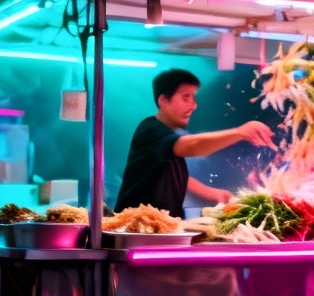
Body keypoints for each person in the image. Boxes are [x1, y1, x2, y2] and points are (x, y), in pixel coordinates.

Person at [115, 68, 276, 218]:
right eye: (185, 98)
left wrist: (212, 193)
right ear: (163, 100)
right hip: (135, 226)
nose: (193, 105)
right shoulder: (151, 130)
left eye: (193, 98)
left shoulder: (168, 135)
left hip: (163, 226)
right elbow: (189, 146)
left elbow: (169, 175)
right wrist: (240, 132)